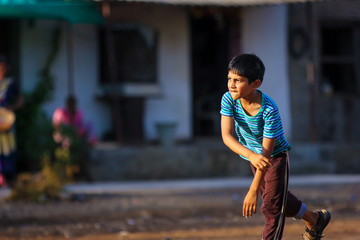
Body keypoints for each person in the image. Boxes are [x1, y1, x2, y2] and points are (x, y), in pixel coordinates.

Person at [220, 53, 331, 240]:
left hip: (274, 157)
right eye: (230, 78)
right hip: (254, 156)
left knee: (271, 206)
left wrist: (253, 189)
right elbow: (226, 136)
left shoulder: (269, 110)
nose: (231, 84)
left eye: (238, 80)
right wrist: (251, 156)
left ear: (255, 84)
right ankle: (315, 218)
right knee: (278, 199)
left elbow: (267, 153)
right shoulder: (228, 99)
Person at [0, 55, 23, 188]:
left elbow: (20, 100)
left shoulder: (11, 83)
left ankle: (9, 177)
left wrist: (12, 108)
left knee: (8, 149)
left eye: (3, 67)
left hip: (6, 121)